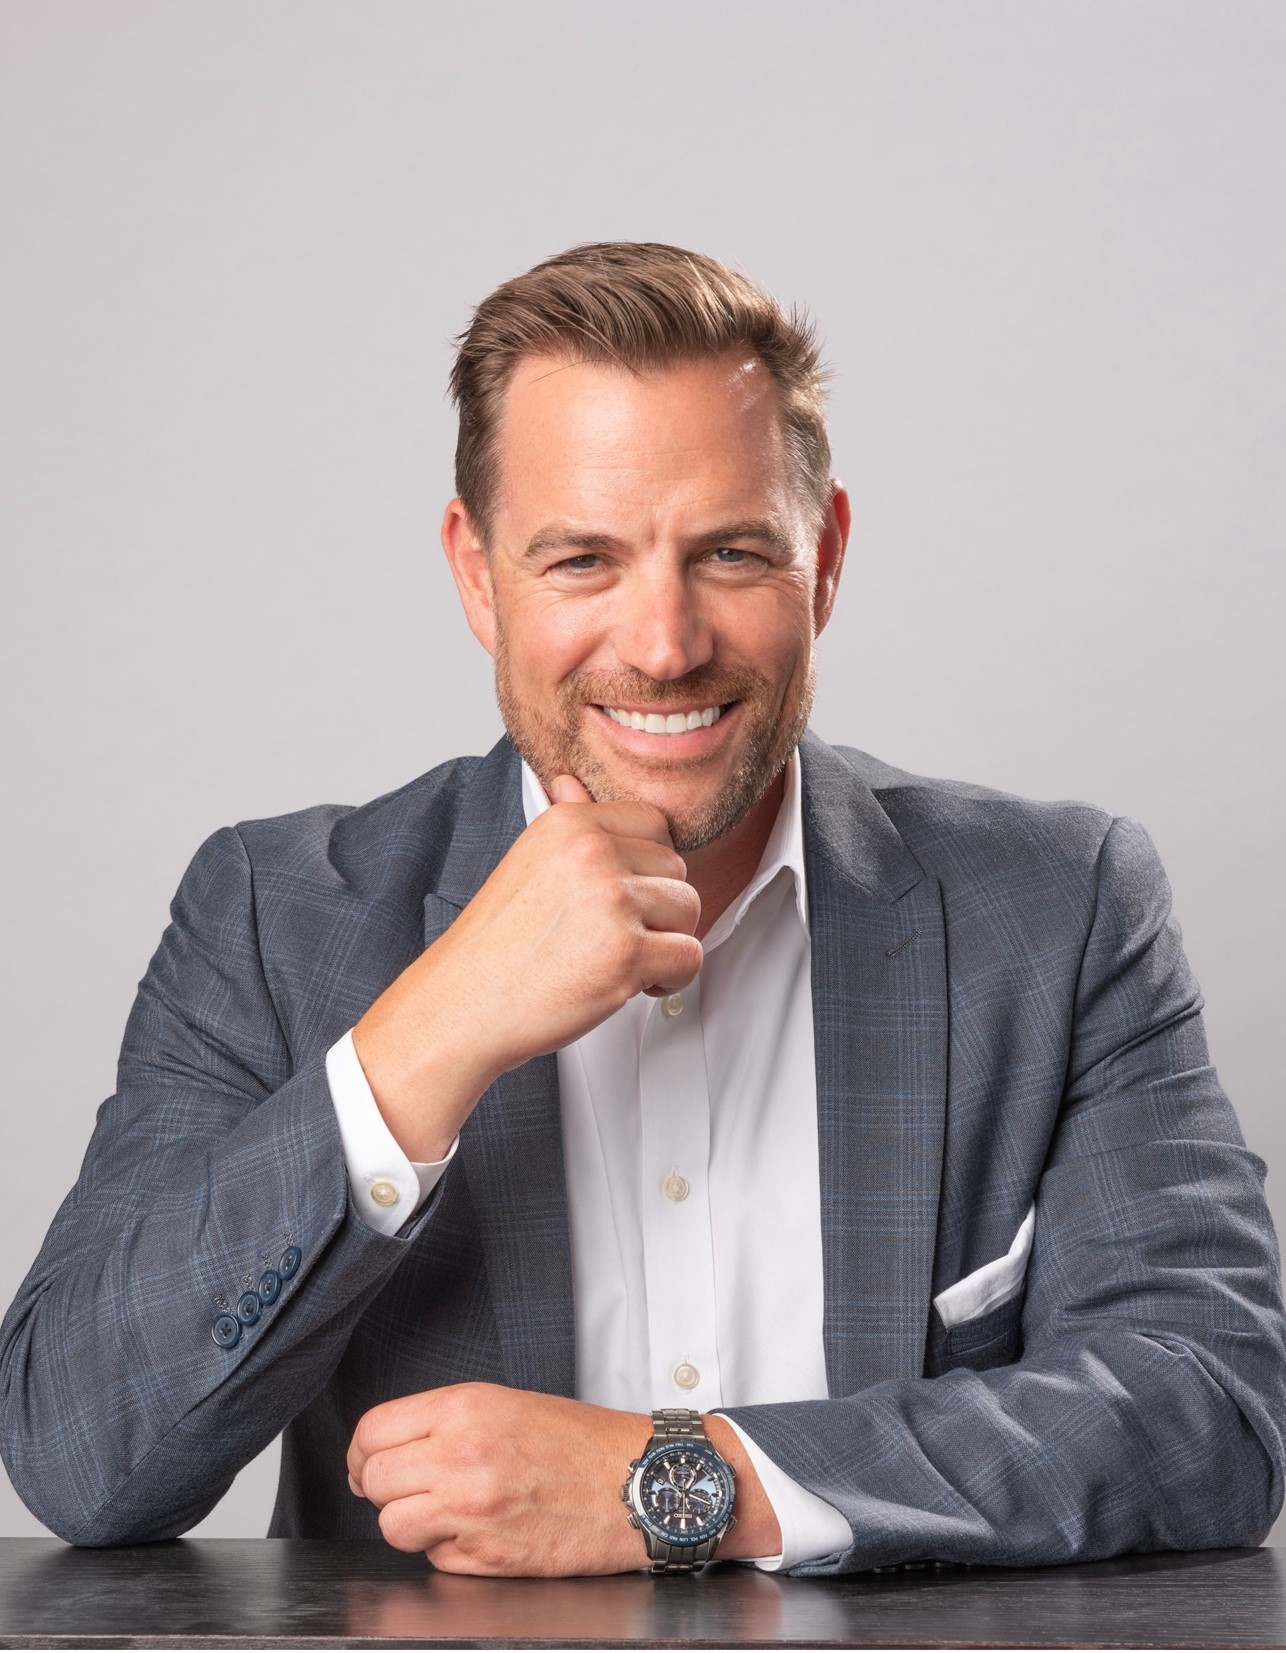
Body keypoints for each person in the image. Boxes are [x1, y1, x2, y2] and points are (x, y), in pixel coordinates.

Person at [2, 242, 1283, 1577]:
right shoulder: (277, 918)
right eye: (581, 560)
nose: (664, 644)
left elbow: (1213, 1408)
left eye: (730, 553)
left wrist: (675, 1480)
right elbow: (79, 1457)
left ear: (824, 559)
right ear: (477, 574)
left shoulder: (1060, 909)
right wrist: (433, 1032)